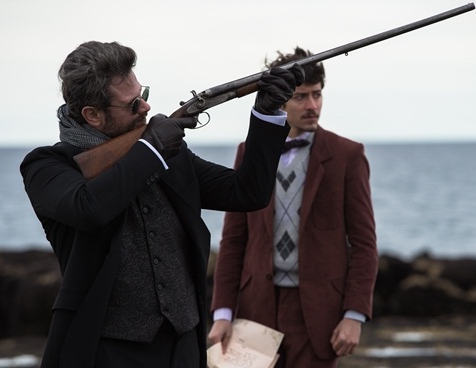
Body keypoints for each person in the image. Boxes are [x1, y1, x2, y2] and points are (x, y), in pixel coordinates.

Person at [20, 41, 304, 368]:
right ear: (92, 115)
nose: (145, 107)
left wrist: (267, 113)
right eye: (132, 104)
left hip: (183, 342)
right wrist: (151, 148)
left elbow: (247, 193)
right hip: (105, 350)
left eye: (144, 94)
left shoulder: (168, 153)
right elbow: (89, 208)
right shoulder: (48, 166)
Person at [208, 47, 379, 368]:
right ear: (281, 99)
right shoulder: (250, 152)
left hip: (318, 313)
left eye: (317, 95)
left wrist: (354, 315)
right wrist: (222, 312)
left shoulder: (347, 155)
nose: (312, 105)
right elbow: (233, 240)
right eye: (301, 96)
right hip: (255, 307)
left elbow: (364, 243)